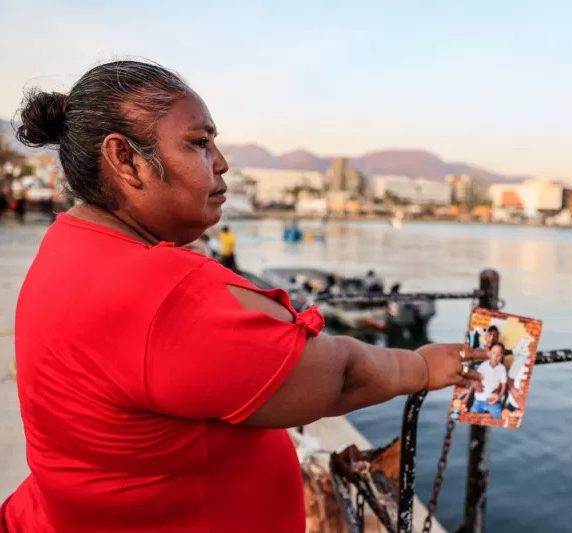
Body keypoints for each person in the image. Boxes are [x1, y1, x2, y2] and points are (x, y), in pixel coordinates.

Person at [2, 60, 486, 533]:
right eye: (198, 142)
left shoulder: (70, 242)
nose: (221, 161)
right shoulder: (163, 292)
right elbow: (337, 377)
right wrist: (421, 368)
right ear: (125, 158)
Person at [469, 342, 507, 419]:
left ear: (502, 356)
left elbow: (504, 385)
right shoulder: (483, 366)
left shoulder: (502, 369)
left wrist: (499, 396)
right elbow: (475, 379)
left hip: (493, 400)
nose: (495, 356)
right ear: (489, 353)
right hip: (479, 400)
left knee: (498, 416)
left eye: (499, 354)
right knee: (472, 416)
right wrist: (476, 385)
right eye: (493, 353)